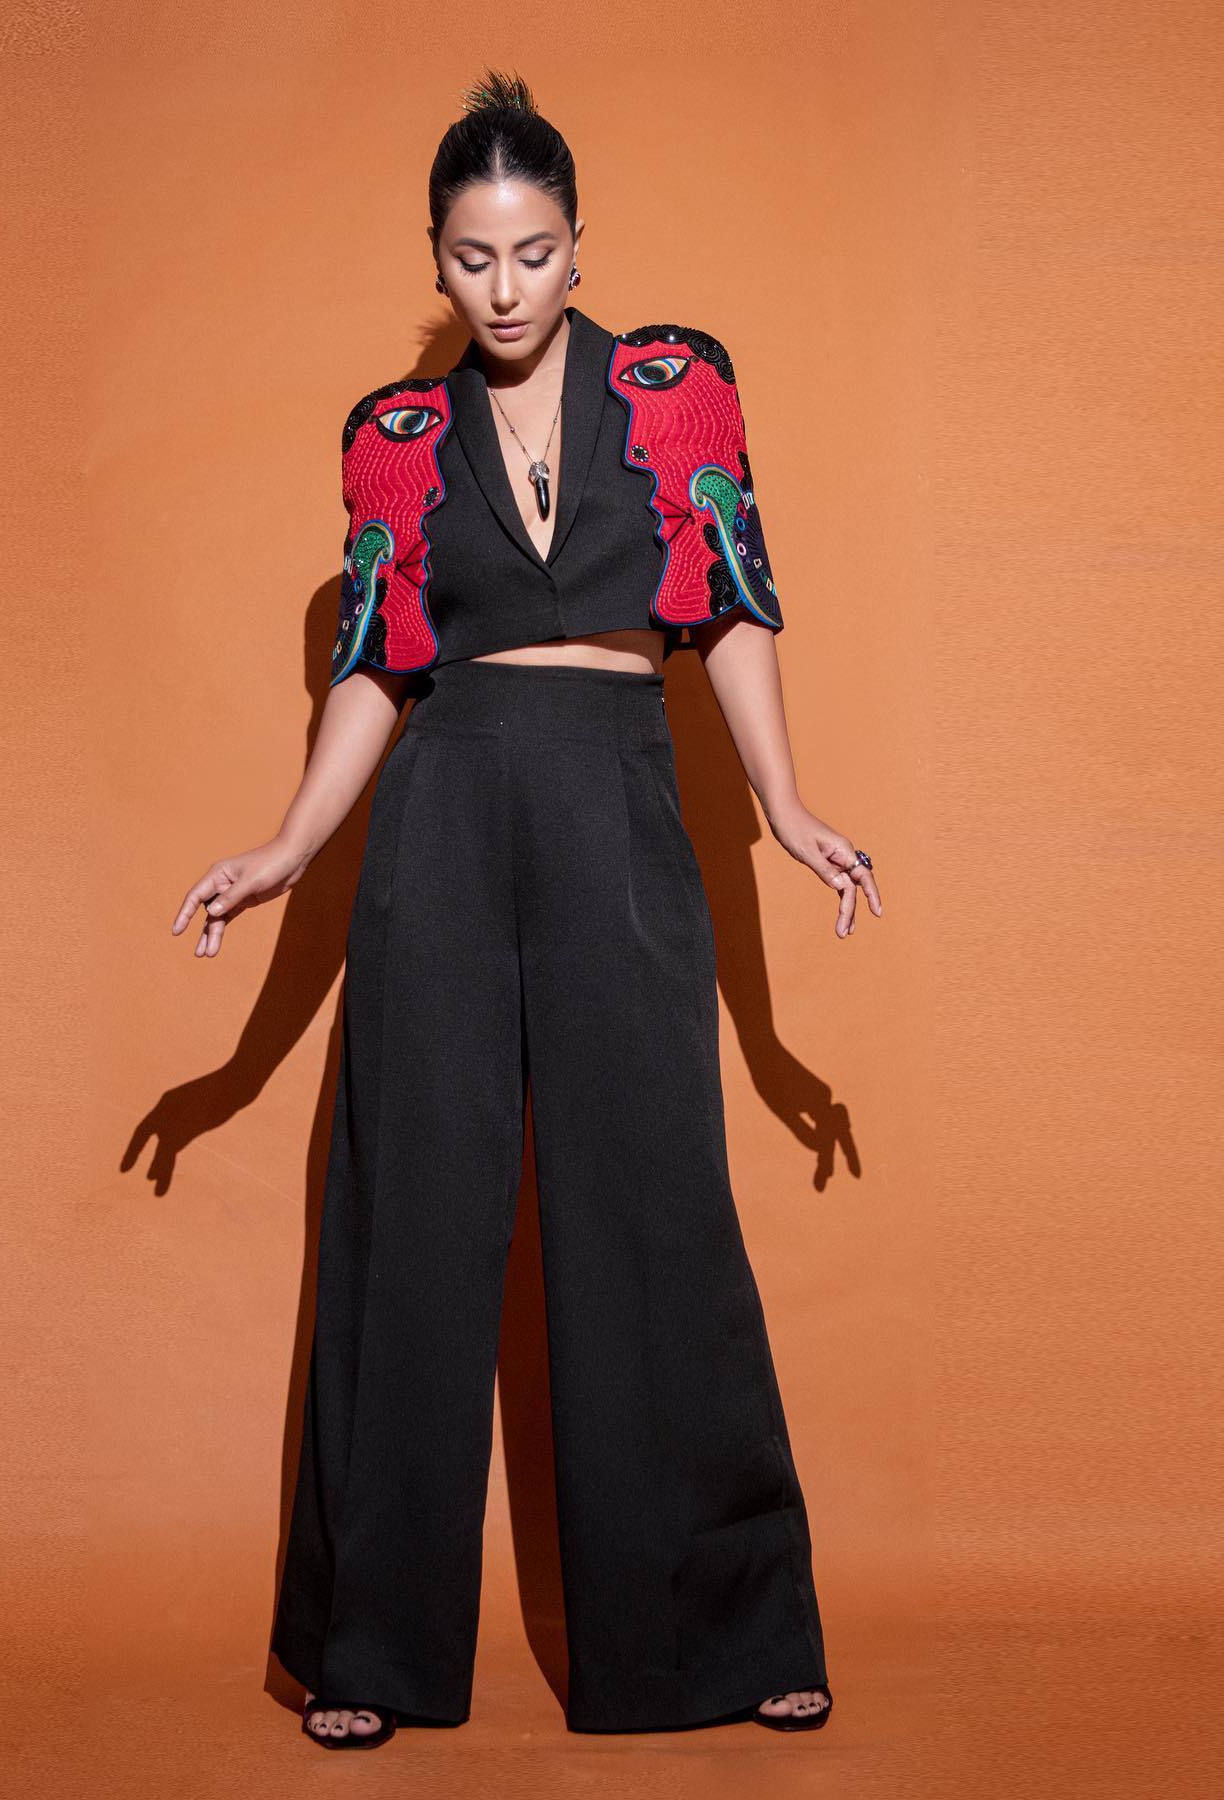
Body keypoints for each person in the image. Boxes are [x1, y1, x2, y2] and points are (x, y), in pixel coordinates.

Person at [171, 69, 882, 1753]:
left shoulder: (674, 385)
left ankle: (720, 1639)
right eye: (473, 258)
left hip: (616, 800)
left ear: (579, 245)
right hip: (442, 817)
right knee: (409, 1218)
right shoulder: (394, 436)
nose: (504, 288)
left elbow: (734, 603)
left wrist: (785, 804)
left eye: (535, 252)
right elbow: (375, 662)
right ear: (437, 255)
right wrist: (289, 848)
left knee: (655, 1212)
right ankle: (368, 1651)